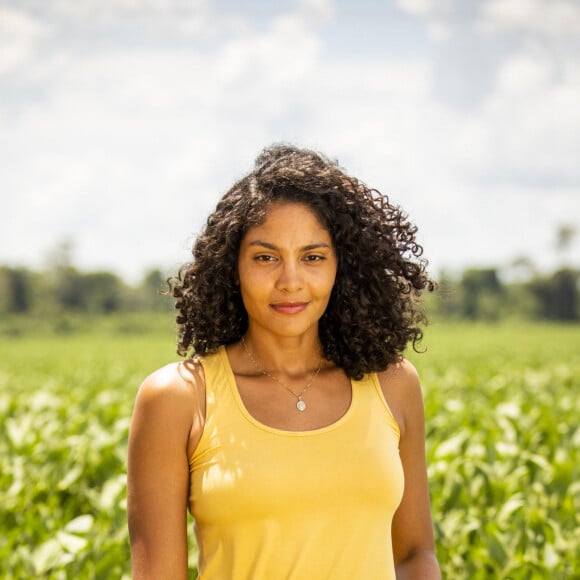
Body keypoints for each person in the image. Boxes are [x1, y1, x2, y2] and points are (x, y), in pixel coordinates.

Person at [127, 144, 441, 579]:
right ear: (231, 267)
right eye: (265, 257)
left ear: (342, 268)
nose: (290, 281)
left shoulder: (393, 384)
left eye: (313, 257)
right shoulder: (178, 399)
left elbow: (414, 556)